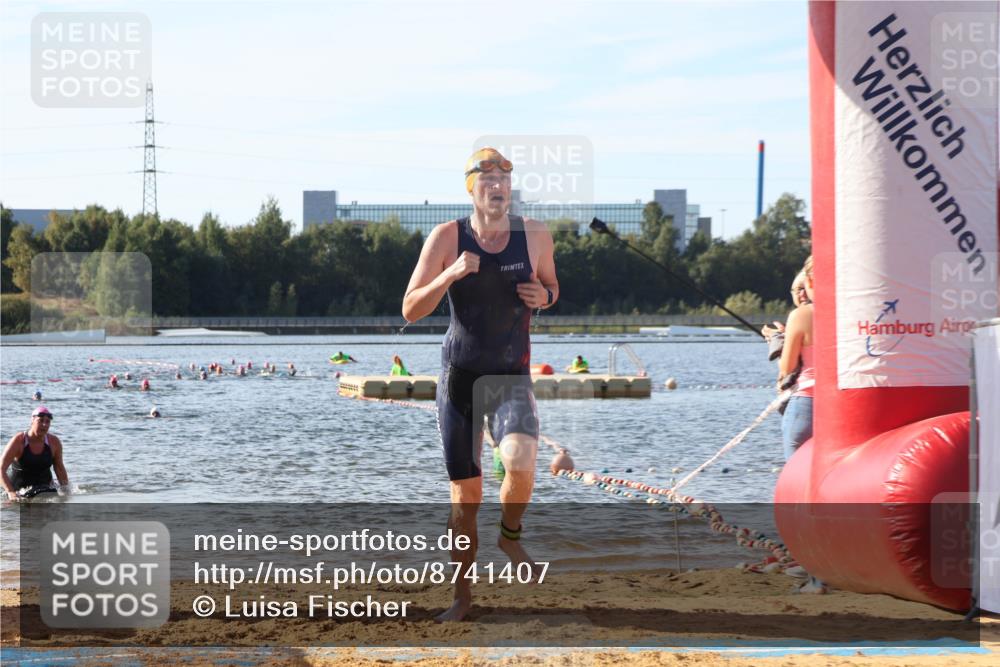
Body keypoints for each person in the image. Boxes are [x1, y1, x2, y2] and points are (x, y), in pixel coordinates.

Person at [402, 147, 559, 621]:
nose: (498, 187)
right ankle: (462, 597)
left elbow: (552, 286)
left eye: (504, 180)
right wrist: (450, 273)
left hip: (510, 374)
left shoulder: (534, 235)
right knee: (465, 497)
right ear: (472, 189)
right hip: (461, 379)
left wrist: (545, 296)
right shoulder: (447, 236)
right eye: (487, 180)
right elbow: (410, 309)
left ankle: (509, 537)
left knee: (522, 458)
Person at [1, 406, 69, 500]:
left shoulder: (54, 442)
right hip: (20, 492)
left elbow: (59, 468)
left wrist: (67, 492)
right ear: (32, 420)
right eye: (40, 421)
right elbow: (1, 469)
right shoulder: (18, 441)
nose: (44, 424)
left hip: (45, 490)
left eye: (47, 421)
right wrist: (10, 492)